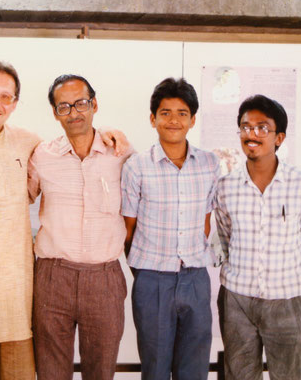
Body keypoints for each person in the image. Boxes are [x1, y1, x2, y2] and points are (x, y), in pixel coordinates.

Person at [0, 60, 126, 379]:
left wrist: (112, 133)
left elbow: (78, 141)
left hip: (17, 304)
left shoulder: (29, 144)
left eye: (7, 97)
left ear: (15, 103)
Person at [28, 74, 132, 380]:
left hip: (104, 277)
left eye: (81, 103)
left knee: (101, 372)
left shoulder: (122, 154)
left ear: (94, 104)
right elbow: (21, 197)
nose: (74, 112)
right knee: (50, 372)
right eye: (64, 106)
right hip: (52, 276)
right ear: (55, 112)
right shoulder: (42, 155)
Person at [214, 94, 301, 380]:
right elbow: (224, 237)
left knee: (292, 376)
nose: (252, 134)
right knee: (239, 376)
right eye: (246, 126)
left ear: (279, 137)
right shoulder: (226, 187)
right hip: (237, 299)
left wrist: (286, 275)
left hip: (286, 300)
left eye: (262, 127)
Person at [121, 77, 220, 380]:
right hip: (152, 279)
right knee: (155, 367)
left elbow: (206, 221)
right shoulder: (137, 166)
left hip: (195, 278)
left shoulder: (209, 163)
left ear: (192, 120)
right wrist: (149, 273)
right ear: (153, 119)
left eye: (181, 113)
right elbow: (129, 228)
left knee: (194, 367)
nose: (173, 120)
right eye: (165, 113)